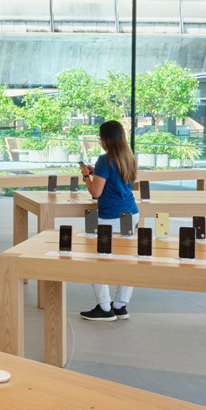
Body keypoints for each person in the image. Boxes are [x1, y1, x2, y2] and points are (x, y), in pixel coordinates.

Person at [79, 120, 139, 322]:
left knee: (98, 259)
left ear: (105, 139)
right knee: (127, 259)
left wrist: (87, 177)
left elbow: (95, 193)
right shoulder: (129, 158)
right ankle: (120, 305)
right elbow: (117, 182)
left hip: (111, 216)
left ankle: (104, 308)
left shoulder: (105, 160)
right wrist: (97, 174)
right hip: (131, 213)